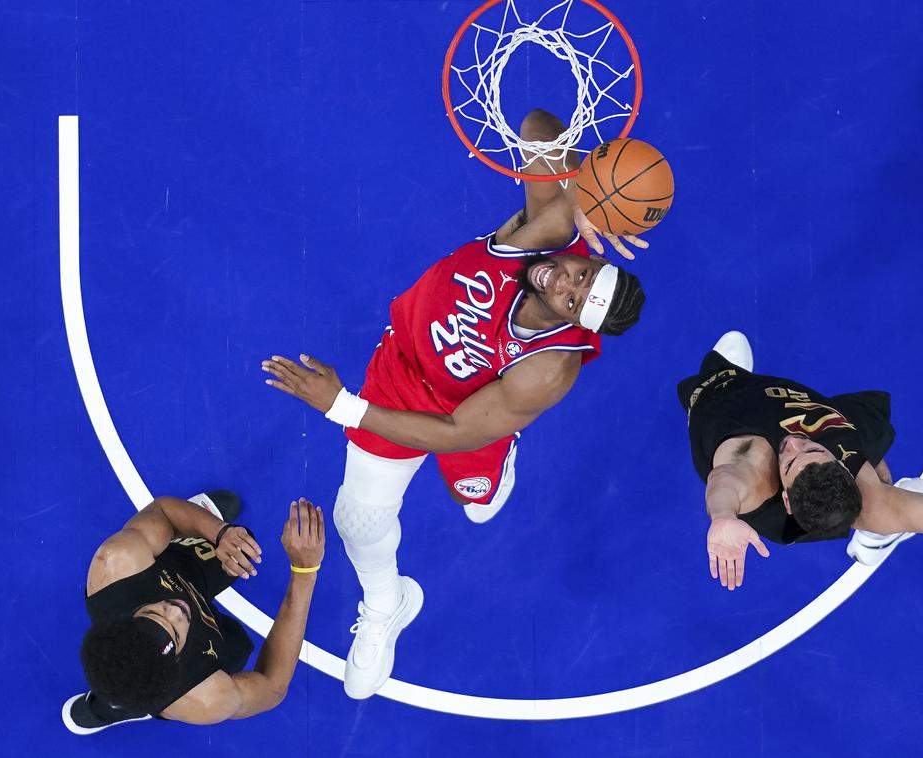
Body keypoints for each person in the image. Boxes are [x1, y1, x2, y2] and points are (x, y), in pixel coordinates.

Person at [261, 109, 648, 699]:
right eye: (581, 273)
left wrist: (340, 405)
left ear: (572, 320)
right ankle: (387, 602)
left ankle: (496, 470)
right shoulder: (550, 230)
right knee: (355, 519)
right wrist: (589, 186)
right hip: (400, 373)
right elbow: (538, 126)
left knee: (474, 503)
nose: (562, 281)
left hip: (469, 417)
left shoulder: (549, 369)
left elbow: (455, 432)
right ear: (589, 254)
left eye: (574, 299)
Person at [677, 331, 923, 607]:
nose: (793, 443)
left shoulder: (753, 463)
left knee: (715, 382)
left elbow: (724, 480)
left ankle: (727, 373)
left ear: (787, 500)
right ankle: (878, 532)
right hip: (808, 419)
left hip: (727, 400)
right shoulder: (857, 485)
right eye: (807, 451)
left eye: (796, 458)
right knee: (876, 474)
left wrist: (723, 517)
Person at [62, 491, 325, 733]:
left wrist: (220, 533)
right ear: (175, 667)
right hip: (188, 661)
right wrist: (305, 572)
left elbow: (162, 510)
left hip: (178, 571)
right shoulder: (203, 697)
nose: (178, 612)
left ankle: (190, 532)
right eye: (175, 633)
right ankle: (114, 706)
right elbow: (272, 685)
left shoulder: (117, 562)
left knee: (239, 540)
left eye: (157, 613)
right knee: (238, 646)